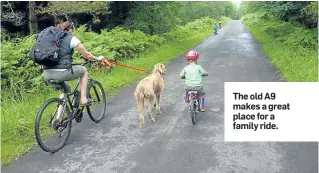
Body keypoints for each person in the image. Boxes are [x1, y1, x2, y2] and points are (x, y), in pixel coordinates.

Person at [43, 21, 110, 107]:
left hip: (47, 73)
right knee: (84, 71)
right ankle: (84, 99)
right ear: (71, 29)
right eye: (74, 29)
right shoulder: (71, 39)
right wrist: (98, 58)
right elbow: (87, 55)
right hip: (62, 72)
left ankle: (58, 119)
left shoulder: (52, 39)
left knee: (65, 92)